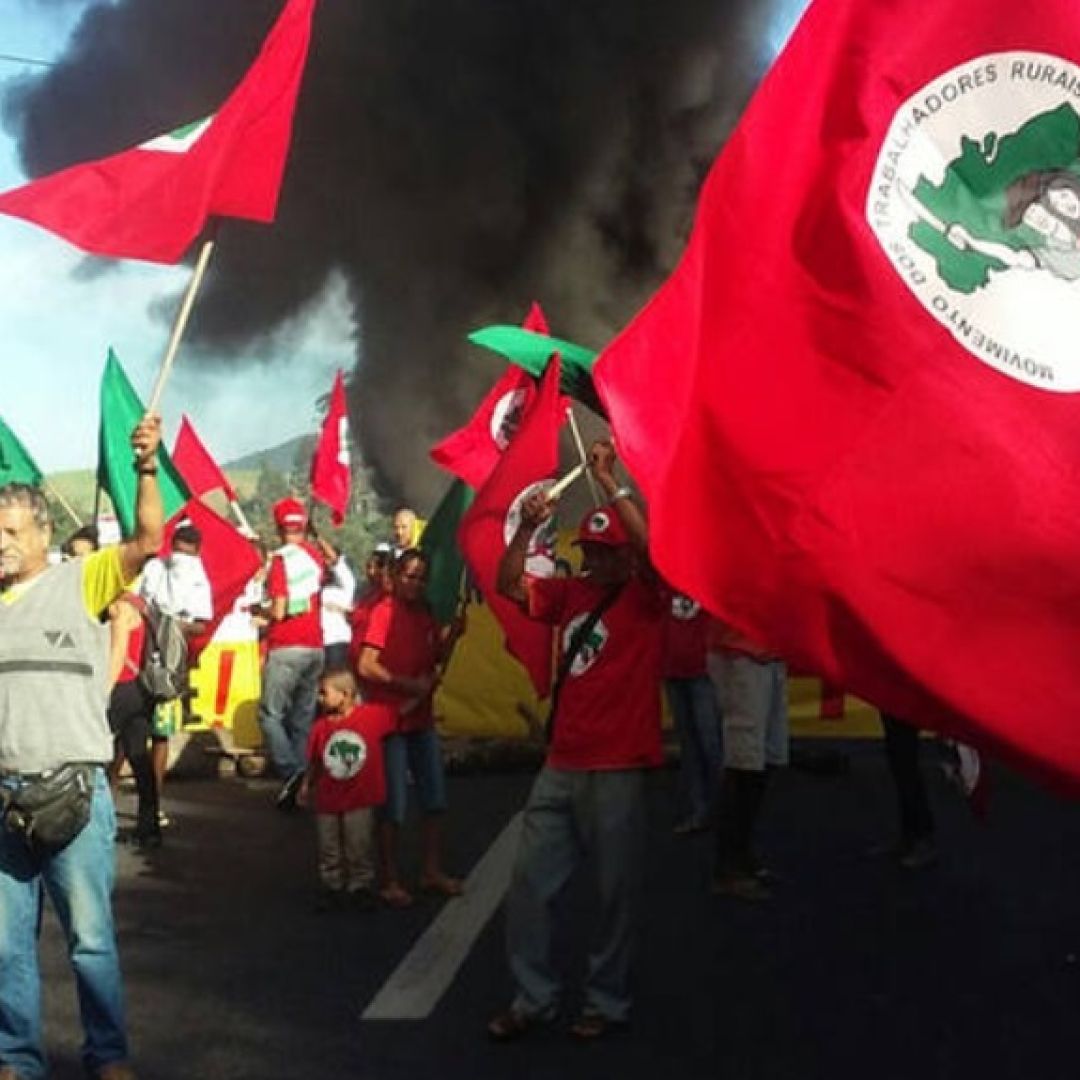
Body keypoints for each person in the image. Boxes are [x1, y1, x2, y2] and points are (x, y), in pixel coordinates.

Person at [0, 413, 163, 1080]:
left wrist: (147, 466)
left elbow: (150, 537)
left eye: (11, 531)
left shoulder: (82, 579)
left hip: (75, 793)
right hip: (3, 803)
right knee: (7, 948)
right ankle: (17, 1059)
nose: (0, 542)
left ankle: (109, 1055)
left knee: (91, 943)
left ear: (43, 534)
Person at [487, 440, 666, 1043]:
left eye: (602, 552)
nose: (591, 561)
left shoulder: (646, 598)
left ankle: (606, 1000)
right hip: (561, 764)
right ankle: (532, 998)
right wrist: (528, 530)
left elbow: (652, 551)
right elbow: (507, 583)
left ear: (624, 558)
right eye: (587, 550)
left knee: (616, 895)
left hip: (619, 765)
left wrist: (611, 482)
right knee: (530, 887)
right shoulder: (570, 594)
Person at [356, 548, 462, 908]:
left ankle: (430, 871)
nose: (414, 583)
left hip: (420, 719)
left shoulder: (425, 612)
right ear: (396, 576)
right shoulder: (384, 612)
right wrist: (407, 685)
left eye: (420, 577)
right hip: (390, 720)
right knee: (393, 804)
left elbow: (434, 658)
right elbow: (367, 666)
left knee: (434, 798)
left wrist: (453, 638)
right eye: (409, 575)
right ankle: (389, 877)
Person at [296, 668, 396, 911]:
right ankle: (333, 886)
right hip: (329, 797)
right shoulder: (321, 727)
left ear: (346, 694)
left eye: (324, 693)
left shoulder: (370, 717)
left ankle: (359, 886)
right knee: (329, 846)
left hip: (359, 796)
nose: (320, 699)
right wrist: (306, 785)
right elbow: (316, 761)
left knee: (358, 843)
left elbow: (399, 714)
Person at [707, 617, 789, 901]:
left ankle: (741, 855)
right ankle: (728, 867)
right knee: (744, 763)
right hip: (740, 654)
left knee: (763, 760)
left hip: (769, 652)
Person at [137, 523, 213, 824]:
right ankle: (149, 805)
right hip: (158, 661)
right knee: (154, 735)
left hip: (157, 661)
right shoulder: (165, 569)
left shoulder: (167, 570)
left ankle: (148, 803)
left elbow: (198, 623)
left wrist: (167, 625)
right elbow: (201, 622)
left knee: (147, 733)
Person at [258, 498, 326, 811]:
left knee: (270, 715)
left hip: (286, 646)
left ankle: (292, 770)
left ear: (277, 526)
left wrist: (261, 612)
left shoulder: (282, 561)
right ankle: (305, 783)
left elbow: (280, 609)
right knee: (303, 719)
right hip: (315, 645)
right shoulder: (314, 557)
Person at [662, 591, 722, 834]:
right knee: (690, 744)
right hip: (672, 667)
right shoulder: (661, 577)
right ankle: (699, 811)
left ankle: (720, 810)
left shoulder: (701, 574)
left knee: (710, 742)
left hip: (702, 669)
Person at [105, 594, 161, 849]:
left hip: (121, 688)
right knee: (139, 757)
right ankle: (149, 827)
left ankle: (99, 825)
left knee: (102, 757)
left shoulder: (119, 609)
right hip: (141, 690)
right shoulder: (140, 607)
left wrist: (103, 690)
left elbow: (118, 652)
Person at [876, 711, 937, 870]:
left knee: (906, 765)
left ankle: (923, 838)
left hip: (907, 704)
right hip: (895, 701)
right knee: (899, 761)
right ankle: (909, 837)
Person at [315, 535, 356, 669]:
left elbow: (333, 559)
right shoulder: (318, 585)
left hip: (338, 643)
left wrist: (317, 537)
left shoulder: (347, 582)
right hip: (319, 644)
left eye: (326, 557)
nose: (324, 561)